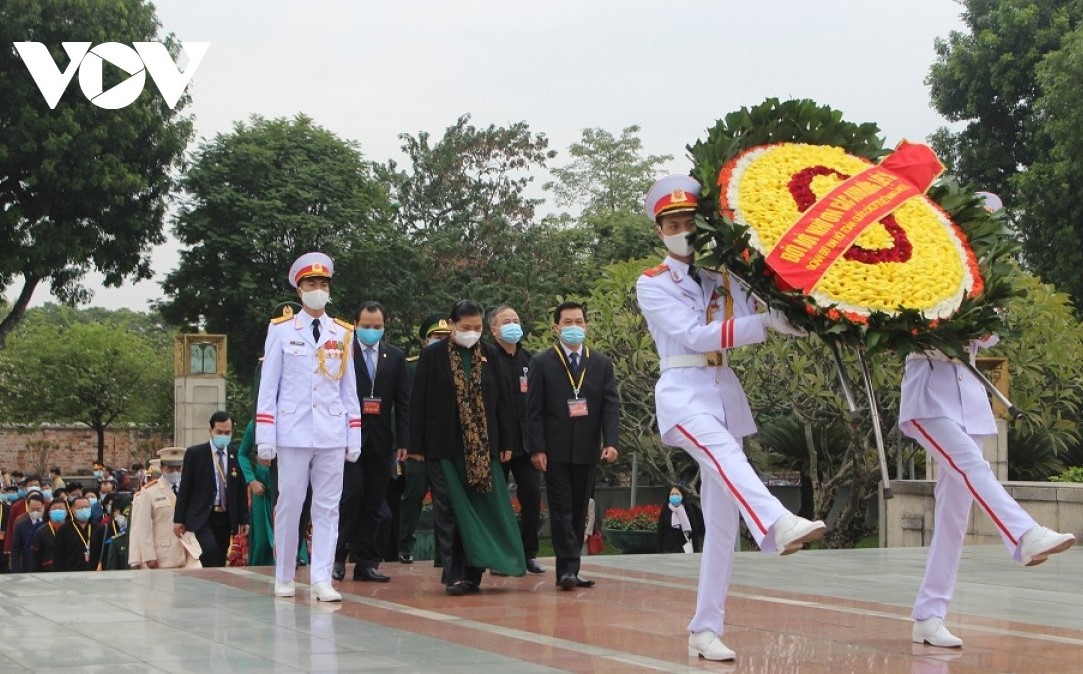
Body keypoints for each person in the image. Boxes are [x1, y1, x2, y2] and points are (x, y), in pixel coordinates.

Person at [636, 174, 827, 661]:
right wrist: (763, 323)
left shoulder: (721, 277)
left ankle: (705, 628)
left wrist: (792, 311)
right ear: (660, 231)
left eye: (689, 223)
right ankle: (776, 521)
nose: (682, 232)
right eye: (673, 225)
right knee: (723, 454)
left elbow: (760, 305)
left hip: (722, 393)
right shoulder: (652, 284)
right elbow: (696, 336)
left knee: (721, 526)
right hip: (683, 392)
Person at [901, 335, 1076, 648]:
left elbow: (992, 332)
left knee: (954, 518)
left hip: (969, 401)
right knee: (974, 468)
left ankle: (929, 615)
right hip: (929, 398)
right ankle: (1024, 535)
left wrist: (980, 330)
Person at [255, 252, 363, 602]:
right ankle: (284, 574)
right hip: (293, 431)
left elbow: (349, 389)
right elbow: (268, 387)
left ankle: (321, 578)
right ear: (299, 289)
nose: (318, 290)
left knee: (328, 507)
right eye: (311, 284)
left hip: (331, 430)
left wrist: (354, 433)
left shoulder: (342, 332)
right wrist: (265, 437)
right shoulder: (281, 330)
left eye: (323, 284)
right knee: (290, 503)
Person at [410, 300, 525, 595]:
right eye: (465, 327)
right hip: (444, 447)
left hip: (482, 450)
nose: (471, 332)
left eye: (477, 327)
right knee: (448, 511)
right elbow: (419, 400)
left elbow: (502, 402)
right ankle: (453, 574)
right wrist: (415, 444)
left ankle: (474, 573)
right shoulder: (433, 355)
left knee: (480, 509)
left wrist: (506, 442)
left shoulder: (489, 354)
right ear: (452, 325)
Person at [526, 301, 620, 591]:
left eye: (579, 322)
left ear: (586, 325)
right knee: (561, 510)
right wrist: (537, 448)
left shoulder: (601, 363)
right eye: (568, 322)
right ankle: (565, 569)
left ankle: (573, 567)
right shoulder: (542, 362)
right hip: (554, 450)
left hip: (586, 449)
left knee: (580, 511)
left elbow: (610, 405)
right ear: (556, 327)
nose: (574, 327)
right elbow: (534, 410)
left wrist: (611, 442)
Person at [335, 301, 410, 583]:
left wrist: (404, 440)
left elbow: (403, 401)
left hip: (381, 440)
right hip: (348, 438)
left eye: (377, 326)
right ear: (355, 324)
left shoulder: (395, 356)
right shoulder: (343, 352)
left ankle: (366, 562)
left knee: (375, 501)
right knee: (351, 494)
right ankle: (337, 556)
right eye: (366, 326)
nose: (371, 331)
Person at [488, 304, 545, 575]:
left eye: (516, 320)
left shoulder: (531, 361)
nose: (513, 325)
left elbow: (539, 406)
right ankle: (499, 557)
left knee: (532, 498)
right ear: (494, 329)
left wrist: (539, 445)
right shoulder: (486, 359)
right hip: (499, 446)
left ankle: (528, 553)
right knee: (497, 504)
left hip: (527, 445)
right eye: (506, 321)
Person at [398, 313, 451, 564]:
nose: (441, 340)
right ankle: (404, 545)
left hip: (444, 445)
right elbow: (404, 407)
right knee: (413, 497)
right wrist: (406, 444)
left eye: (445, 336)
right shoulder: (411, 366)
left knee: (446, 501)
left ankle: (444, 553)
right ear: (425, 340)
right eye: (436, 336)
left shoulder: (455, 365)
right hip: (417, 446)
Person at [174, 411, 249, 568]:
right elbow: (185, 488)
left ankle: (215, 581)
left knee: (221, 553)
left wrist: (244, 520)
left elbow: (240, 490)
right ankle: (210, 578)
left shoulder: (235, 454)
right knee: (209, 549)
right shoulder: (195, 454)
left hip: (226, 515)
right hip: (203, 515)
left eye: (227, 433)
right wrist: (179, 519)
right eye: (219, 432)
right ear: (211, 431)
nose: (223, 436)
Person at [130, 447, 202, 570]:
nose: (175, 472)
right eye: (170, 468)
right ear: (162, 468)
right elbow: (143, 527)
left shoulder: (193, 489)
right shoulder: (149, 492)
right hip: (164, 555)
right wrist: (148, 556)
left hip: (191, 551)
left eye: (178, 468)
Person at [55, 496, 102, 571]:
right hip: (71, 572)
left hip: (94, 571)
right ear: (72, 510)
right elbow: (58, 554)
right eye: (81, 508)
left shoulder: (98, 527)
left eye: (86, 507)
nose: (84, 510)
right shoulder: (64, 529)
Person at [657, 485, 705, 553]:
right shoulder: (665, 510)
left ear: (682, 496)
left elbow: (694, 530)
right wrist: (659, 550)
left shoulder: (688, 510)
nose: (674, 496)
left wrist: (696, 550)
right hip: (668, 548)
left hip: (685, 547)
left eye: (677, 494)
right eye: (672, 494)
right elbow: (660, 531)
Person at [9, 492, 46, 572]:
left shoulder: (48, 523)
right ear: (28, 507)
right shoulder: (20, 525)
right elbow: (16, 550)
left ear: (43, 507)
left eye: (38, 509)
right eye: (32, 509)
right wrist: (16, 570)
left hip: (47, 566)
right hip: (28, 567)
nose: (35, 511)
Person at [30, 500, 70, 572]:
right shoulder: (41, 531)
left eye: (60, 508)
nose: (57, 510)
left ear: (66, 512)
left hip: (70, 570)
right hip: (47, 571)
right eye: (54, 508)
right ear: (49, 513)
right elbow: (35, 557)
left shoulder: (71, 529)